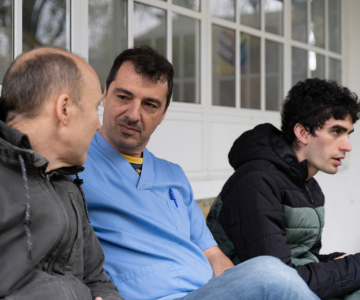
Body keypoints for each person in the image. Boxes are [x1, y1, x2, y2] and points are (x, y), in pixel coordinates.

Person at [79, 46, 319, 300]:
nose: (133, 114)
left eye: (150, 104)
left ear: (163, 114)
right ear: (104, 95)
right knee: (272, 274)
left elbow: (212, 254)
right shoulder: (75, 164)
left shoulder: (173, 175)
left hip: (205, 292)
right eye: (124, 97)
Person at [207, 78, 360, 299]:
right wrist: (353, 267)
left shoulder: (309, 186)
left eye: (348, 134)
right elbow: (280, 282)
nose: (347, 146)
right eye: (336, 131)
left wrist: (341, 261)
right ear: (303, 133)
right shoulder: (256, 182)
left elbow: (304, 258)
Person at [0, 47, 124, 300]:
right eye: (95, 108)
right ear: (64, 109)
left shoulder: (67, 186)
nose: (98, 125)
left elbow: (96, 278)